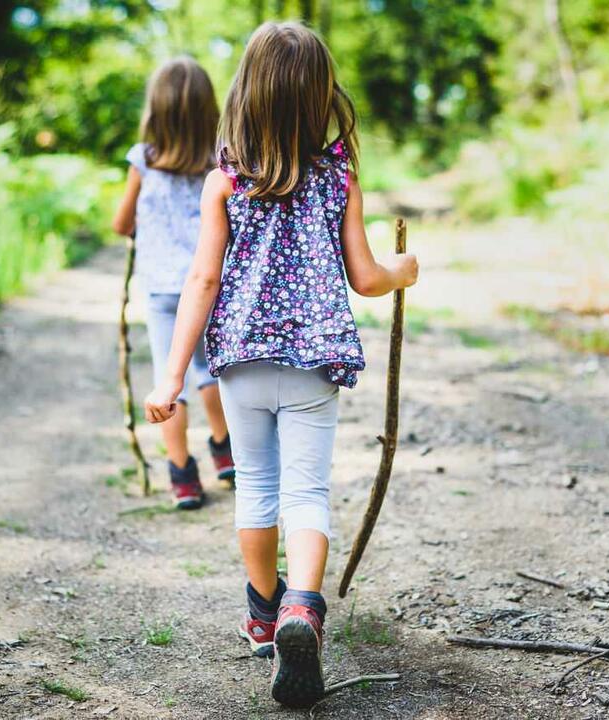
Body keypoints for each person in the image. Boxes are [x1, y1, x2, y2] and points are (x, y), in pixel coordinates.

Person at [143, 23, 419, 707]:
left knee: (256, 487)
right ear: (320, 97)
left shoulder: (226, 182)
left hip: (237, 360)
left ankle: (264, 616)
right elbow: (365, 277)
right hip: (311, 361)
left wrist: (174, 375)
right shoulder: (338, 180)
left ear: (248, 95)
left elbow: (202, 283)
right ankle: (303, 607)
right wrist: (401, 270)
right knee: (307, 491)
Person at [113, 57, 235, 511]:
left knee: (172, 378)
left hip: (163, 288)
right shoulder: (220, 161)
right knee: (209, 370)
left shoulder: (142, 161)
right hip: (208, 282)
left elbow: (122, 223)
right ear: (210, 111)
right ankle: (224, 451)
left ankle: (182, 474)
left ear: (155, 111)